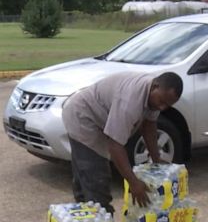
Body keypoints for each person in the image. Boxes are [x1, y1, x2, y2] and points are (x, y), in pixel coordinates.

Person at [62, 71, 183, 213]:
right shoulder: (130, 101)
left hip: (99, 119)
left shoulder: (154, 96)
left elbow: (149, 125)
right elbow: (115, 146)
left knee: (86, 177)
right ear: (154, 86)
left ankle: (85, 220)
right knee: (96, 177)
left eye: (167, 105)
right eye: (162, 102)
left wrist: (156, 158)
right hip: (83, 118)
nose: (162, 107)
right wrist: (133, 183)